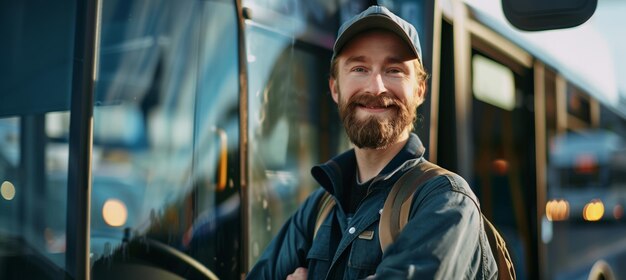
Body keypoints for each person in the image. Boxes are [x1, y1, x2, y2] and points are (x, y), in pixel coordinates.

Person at [247, 5, 497, 280]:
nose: (376, 87)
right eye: (359, 68)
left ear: (420, 90)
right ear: (334, 88)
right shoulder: (319, 208)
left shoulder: (446, 200)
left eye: (394, 70)